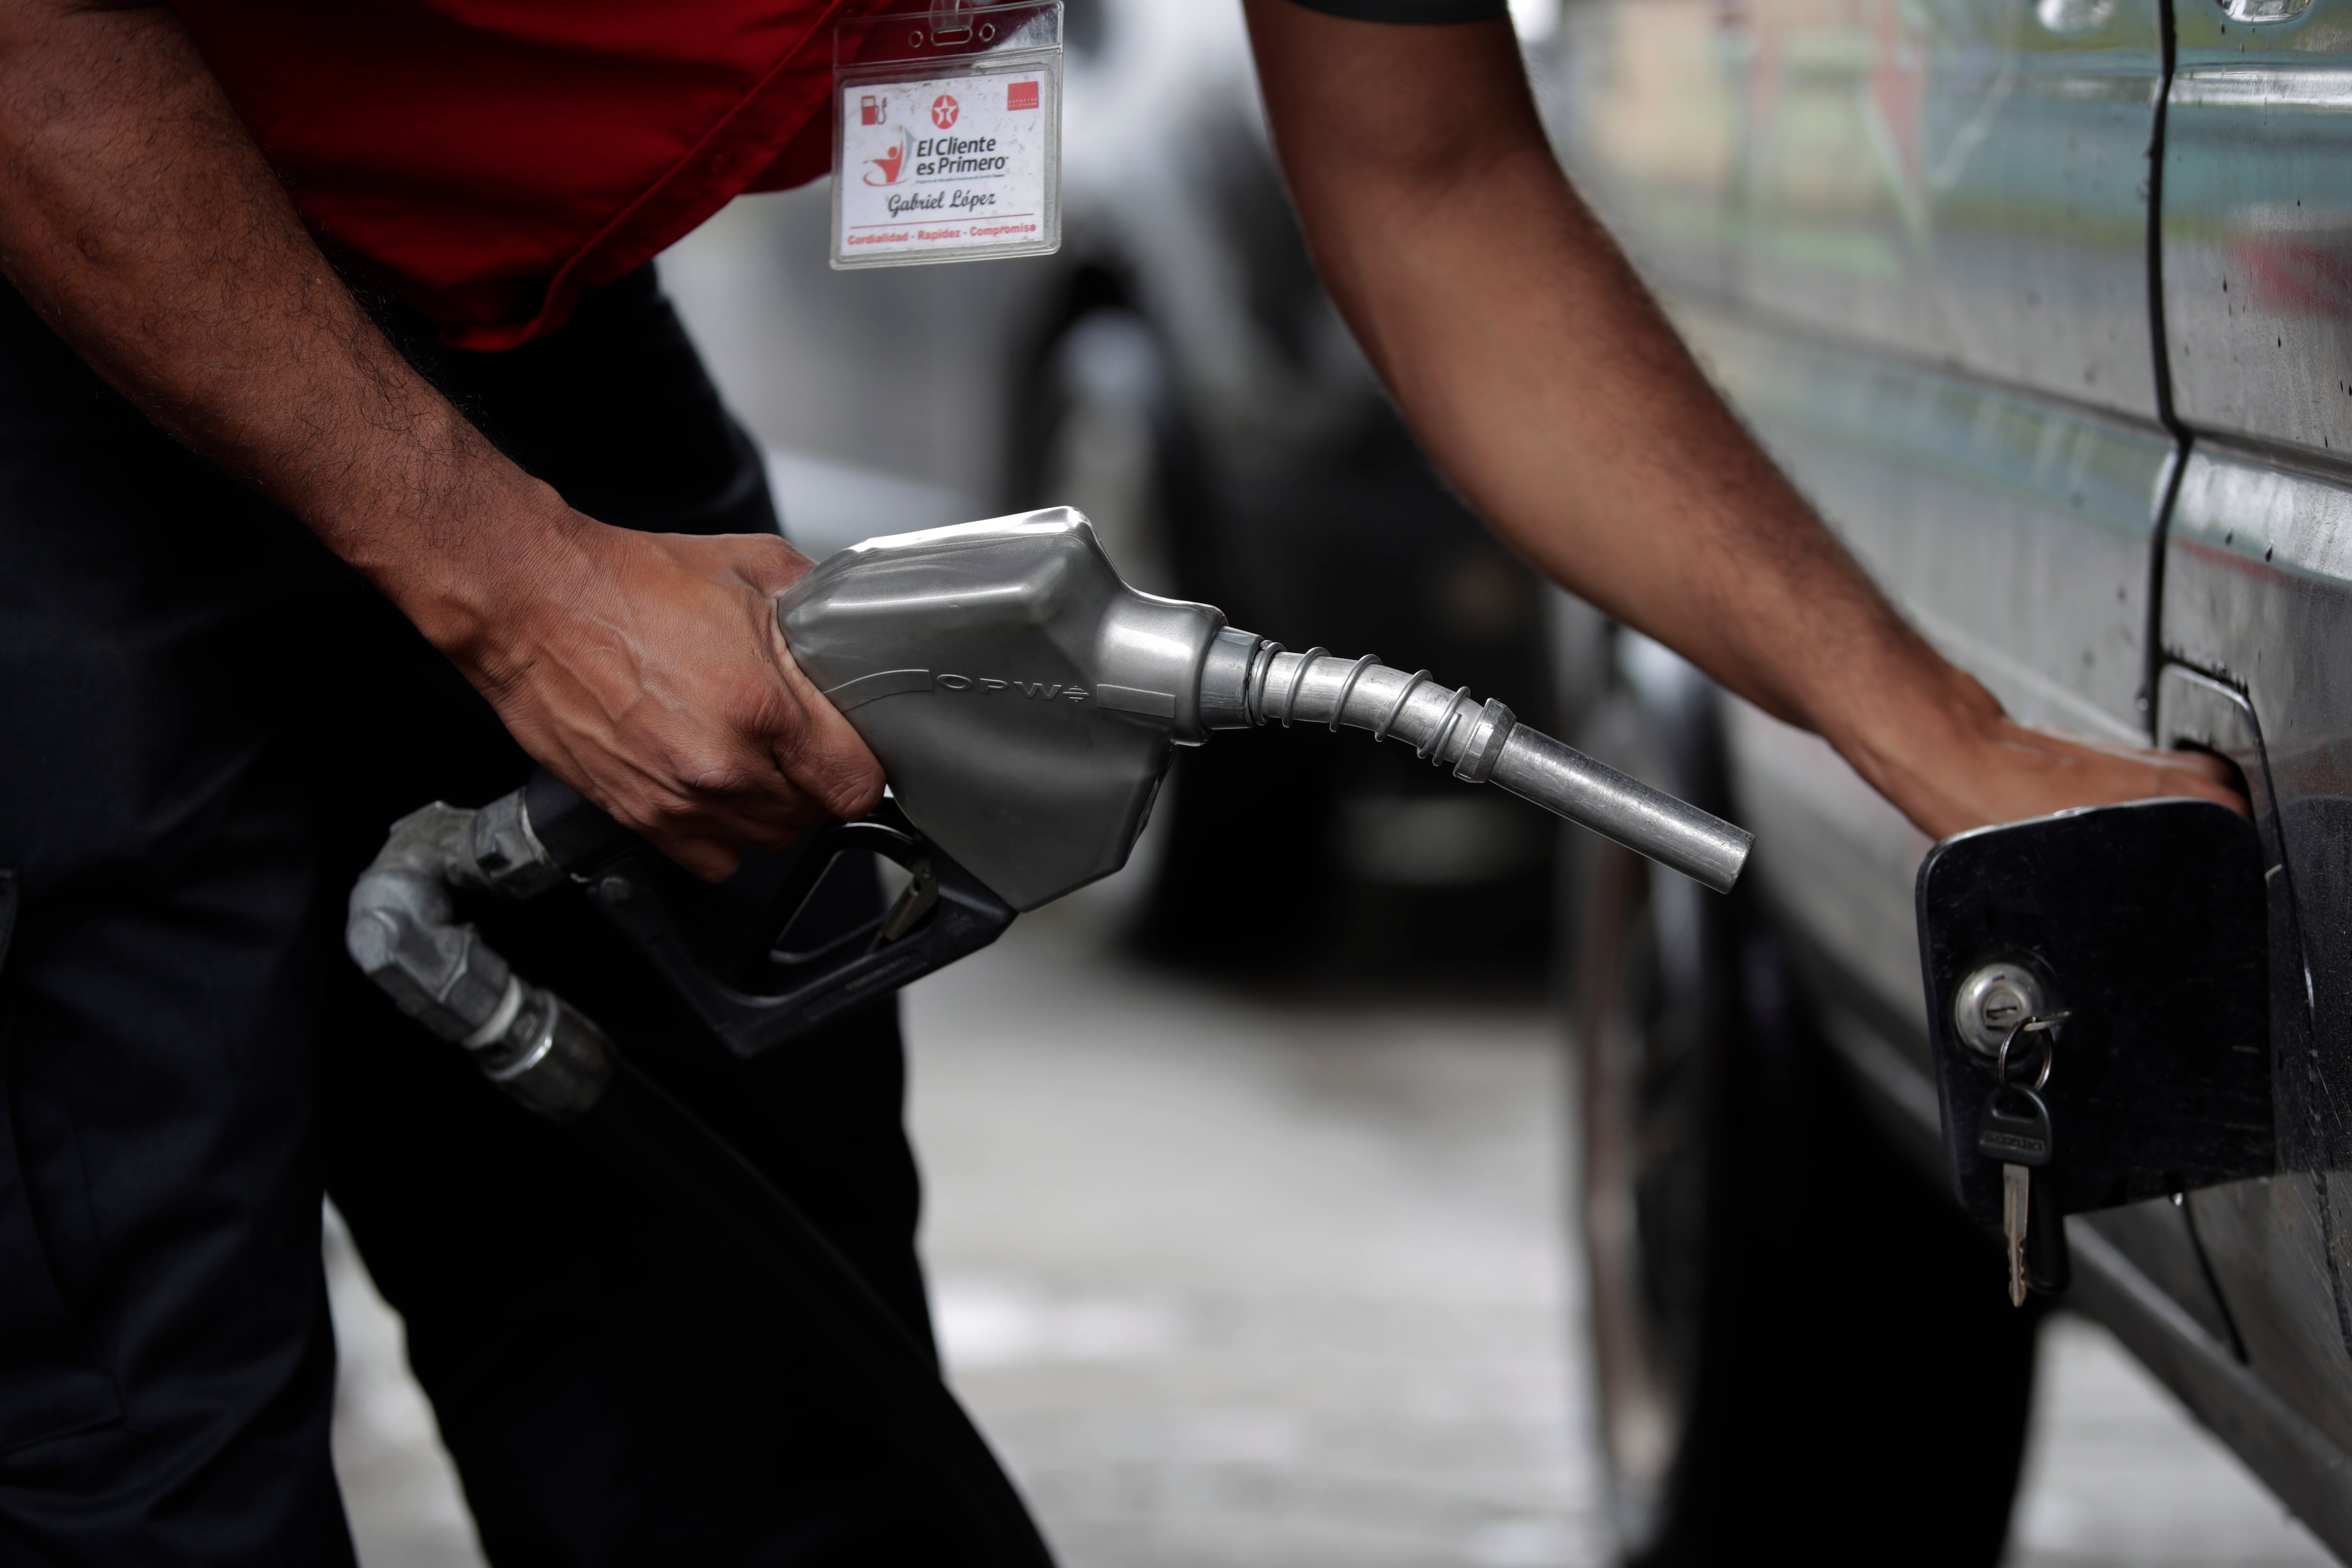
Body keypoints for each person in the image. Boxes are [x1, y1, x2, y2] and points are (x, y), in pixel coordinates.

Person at [0, 0, 2237, 1561]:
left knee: (774, 1414)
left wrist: (1941, 745)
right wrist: (509, 585)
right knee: (131, 1437)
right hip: (61, 244)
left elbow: (1434, 182)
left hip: (495, 304)